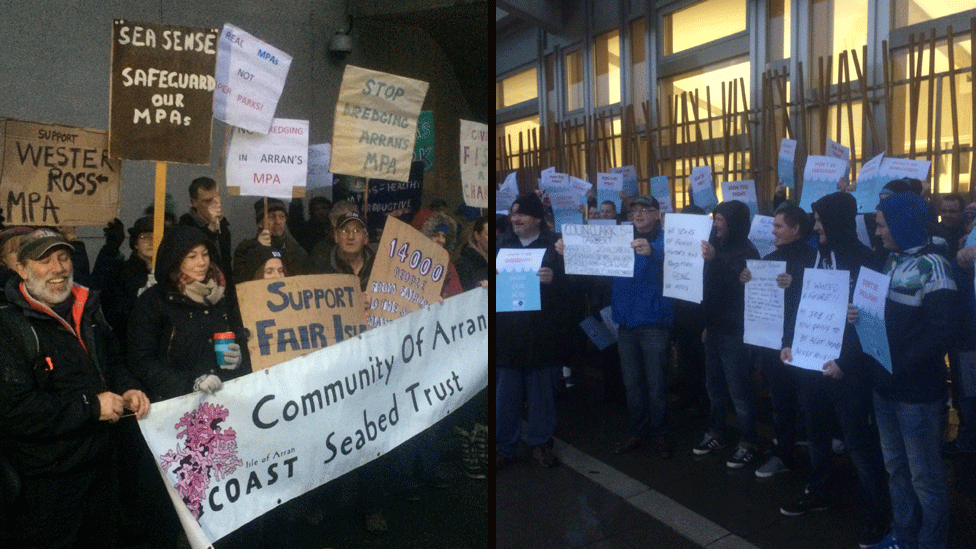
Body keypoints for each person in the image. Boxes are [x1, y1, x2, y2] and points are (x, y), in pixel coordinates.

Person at [0, 228, 150, 549]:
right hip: (47, 483)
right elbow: (16, 411)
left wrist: (128, 389)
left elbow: (113, 361)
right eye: (44, 260)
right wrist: (92, 408)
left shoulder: (89, 309)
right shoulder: (9, 328)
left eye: (63, 257)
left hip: (102, 469)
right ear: (21, 269)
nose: (58, 267)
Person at [778, 192, 891, 548]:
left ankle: (877, 514)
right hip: (811, 364)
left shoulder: (867, 261)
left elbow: (872, 322)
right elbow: (798, 305)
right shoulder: (813, 257)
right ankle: (818, 489)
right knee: (816, 433)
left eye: (820, 219)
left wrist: (846, 363)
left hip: (848, 373)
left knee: (859, 443)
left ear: (838, 220)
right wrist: (787, 340)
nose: (815, 226)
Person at [870, 192, 956, 549]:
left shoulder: (935, 267)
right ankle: (903, 536)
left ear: (901, 224)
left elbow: (941, 334)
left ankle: (932, 543)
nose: (878, 232)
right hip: (886, 387)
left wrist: (897, 364)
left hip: (916, 392)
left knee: (925, 478)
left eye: (881, 224)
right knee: (896, 471)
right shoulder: (891, 262)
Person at [559, 195, 675, 458]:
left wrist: (654, 252)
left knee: (655, 383)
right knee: (632, 383)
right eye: (635, 210)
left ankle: (660, 433)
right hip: (625, 321)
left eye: (646, 210)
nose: (639, 214)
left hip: (655, 321)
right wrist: (572, 252)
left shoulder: (667, 239)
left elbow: (681, 262)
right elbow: (594, 261)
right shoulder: (619, 237)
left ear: (657, 213)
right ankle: (637, 430)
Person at [128, 225, 249, 402]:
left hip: (224, 398)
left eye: (205, 254)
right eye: (192, 256)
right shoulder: (154, 301)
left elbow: (242, 335)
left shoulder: (223, 294)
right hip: (177, 405)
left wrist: (240, 358)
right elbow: (141, 361)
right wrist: (190, 385)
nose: (202, 262)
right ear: (175, 260)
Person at [739, 201, 815, 478]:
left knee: (807, 400)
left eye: (778, 226)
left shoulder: (813, 258)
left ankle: (814, 456)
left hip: (802, 341)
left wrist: (797, 283)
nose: (773, 232)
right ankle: (783, 452)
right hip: (773, 342)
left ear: (795, 229)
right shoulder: (769, 260)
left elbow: (820, 298)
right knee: (780, 401)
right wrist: (748, 278)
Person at [497, 192, 566, 468]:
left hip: (541, 335)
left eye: (522, 213)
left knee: (541, 398)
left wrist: (555, 279)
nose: (515, 218)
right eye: (513, 213)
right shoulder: (502, 243)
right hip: (508, 335)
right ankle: (504, 447)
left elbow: (575, 291)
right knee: (506, 398)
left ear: (538, 218)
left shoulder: (555, 247)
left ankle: (540, 443)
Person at [695, 200, 761, 468]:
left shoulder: (747, 251)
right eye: (715, 218)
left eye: (721, 219)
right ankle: (717, 430)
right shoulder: (716, 246)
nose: (716, 224)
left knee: (739, 390)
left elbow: (741, 289)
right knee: (714, 385)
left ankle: (749, 440)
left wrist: (715, 261)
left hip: (736, 331)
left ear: (734, 223)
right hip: (715, 327)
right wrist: (707, 324)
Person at [234, 198, 309, 284]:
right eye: (271, 217)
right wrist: (259, 249)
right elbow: (240, 283)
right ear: (260, 223)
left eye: (282, 217)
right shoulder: (246, 249)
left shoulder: (297, 251)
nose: (278, 221)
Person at [179, 176, 232, 279]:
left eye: (216, 199)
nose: (214, 204)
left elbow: (226, 263)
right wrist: (211, 227)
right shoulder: (184, 226)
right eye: (207, 201)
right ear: (194, 202)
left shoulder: (223, 225)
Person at [310, 211, 376, 291]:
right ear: (336, 237)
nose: (351, 237)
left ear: (366, 238)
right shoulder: (322, 270)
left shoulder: (380, 266)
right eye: (345, 231)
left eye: (357, 231)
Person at [420, 211, 463, 298]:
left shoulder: (449, 267)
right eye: (436, 235)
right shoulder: (414, 261)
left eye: (444, 236)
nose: (441, 240)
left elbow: (458, 296)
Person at [455, 214, 490, 291]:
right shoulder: (463, 264)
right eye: (488, 234)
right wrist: (478, 287)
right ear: (477, 235)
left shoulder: (500, 260)